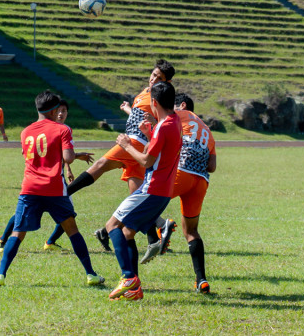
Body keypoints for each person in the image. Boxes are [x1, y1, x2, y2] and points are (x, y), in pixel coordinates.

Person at [0, 90, 105, 288]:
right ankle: (91, 274)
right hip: (54, 189)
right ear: (53, 111)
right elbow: (67, 158)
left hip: (29, 188)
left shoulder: (25, 131)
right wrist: (75, 155)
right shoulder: (62, 129)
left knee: (17, 233)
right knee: (72, 230)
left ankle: (0, 275)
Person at [63, 59, 176, 249]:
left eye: (159, 77)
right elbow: (140, 117)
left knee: (99, 165)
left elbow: (165, 121)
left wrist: (154, 123)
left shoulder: (160, 98)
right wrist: (129, 110)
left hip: (135, 143)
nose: (153, 78)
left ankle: (64, 193)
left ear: (166, 82)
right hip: (135, 144)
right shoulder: (144, 93)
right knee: (136, 195)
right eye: (153, 74)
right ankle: (155, 235)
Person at [103, 81, 182, 301]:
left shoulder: (163, 126)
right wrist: (148, 135)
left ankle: (128, 277)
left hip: (150, 189)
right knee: (127, 233)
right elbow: (159, 153)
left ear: (154, 102)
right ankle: (134, 288)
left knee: (112, 226)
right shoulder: (173, 122)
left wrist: (127, 145)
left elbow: (147, 161)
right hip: (163, 191)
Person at [139, 93, 215, 294]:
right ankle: (201, 280)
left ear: (180, 105)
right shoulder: (207, 129)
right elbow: (212, 165)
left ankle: (161, 227)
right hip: (201, 181)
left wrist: (149, 133)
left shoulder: (177, 116)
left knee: (141, 203)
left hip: (181, 172)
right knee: (191, 231)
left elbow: (157, 143)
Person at [0, 101, 94, 252]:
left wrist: (68, 169)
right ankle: (3, 239)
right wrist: (78, 156)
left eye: (64, 111)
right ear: (52, 112)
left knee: (65, 214)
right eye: (59, 110)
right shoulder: (45, 129)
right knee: (63, 214)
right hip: (45, 181)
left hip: (54, 179)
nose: (61, 113)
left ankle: (50, 241)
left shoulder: (64, 129)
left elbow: (64, 154)